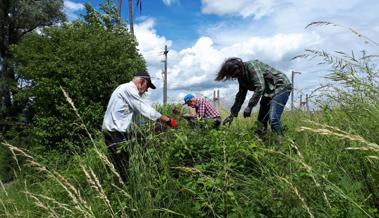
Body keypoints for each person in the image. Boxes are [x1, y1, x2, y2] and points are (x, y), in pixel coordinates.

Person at [102, 71, 178, 182]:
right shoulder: (129, 89)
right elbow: (144, 108)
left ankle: (122, 186)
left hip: (116, 133)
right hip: (116, 134)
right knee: (123, 167)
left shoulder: (124, 89)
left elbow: (135, 117)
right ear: (142, 82)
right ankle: (125, 190)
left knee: (122, 164)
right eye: (147, 86)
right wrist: (168, 120)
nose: (147, 90)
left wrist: (151, 126)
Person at [215, 58, 292, 136]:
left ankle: (281, 142)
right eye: (232, 75)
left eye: (234, 74)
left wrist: (250, 106)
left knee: (273, 119)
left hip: (281, 86)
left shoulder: (252, 66)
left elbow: (260, 87)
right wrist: (232, 115)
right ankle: (261, 140)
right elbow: (240, 96)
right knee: (261, 122)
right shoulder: (241, 77)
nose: (234, 77)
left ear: (238, 67)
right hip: (268, 92)